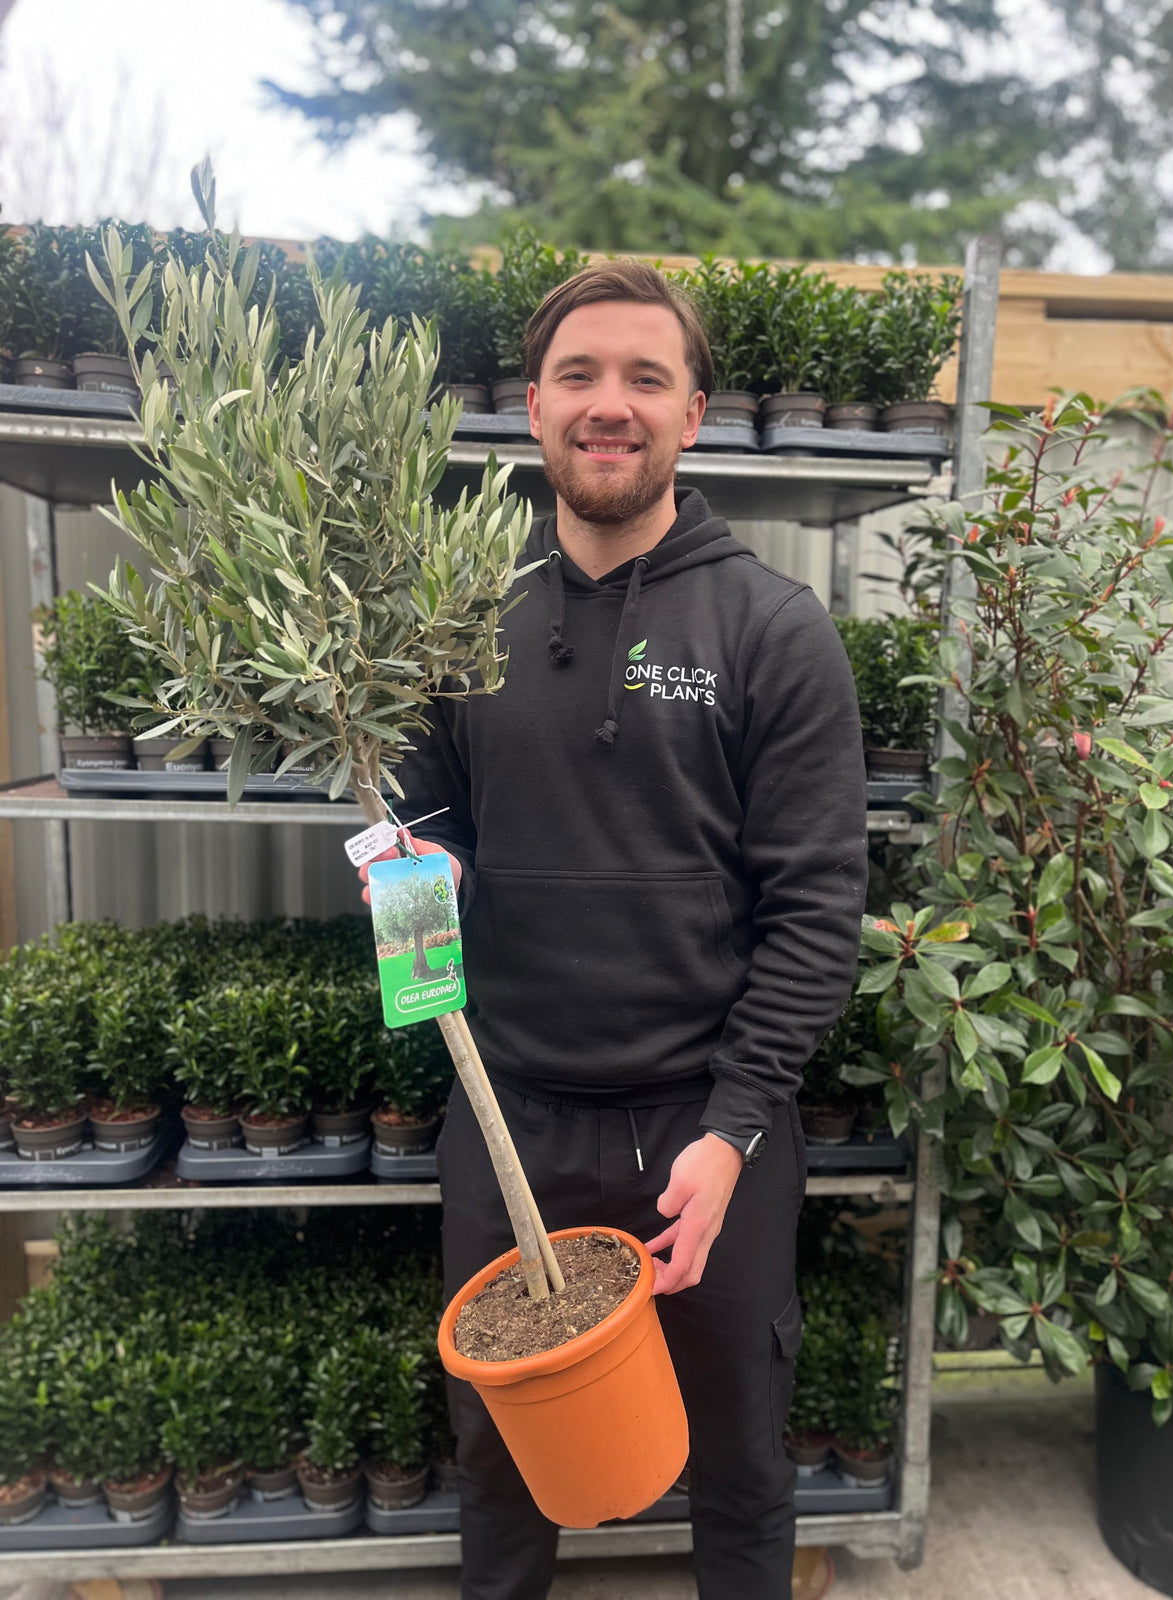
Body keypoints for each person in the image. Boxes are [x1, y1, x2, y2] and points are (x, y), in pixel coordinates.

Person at [359, 259, 868, 1600]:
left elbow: (817, 908)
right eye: (580, 375)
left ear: (692, 413)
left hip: (706, 1133)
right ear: (535, 407)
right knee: (501, 1459)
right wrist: (402, 873)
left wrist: (735, 1125)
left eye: (647, 377)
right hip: (509, 1117)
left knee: (743, 1462)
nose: (611, 404)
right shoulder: (463, 626)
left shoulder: (771, 628)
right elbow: (426, 840)